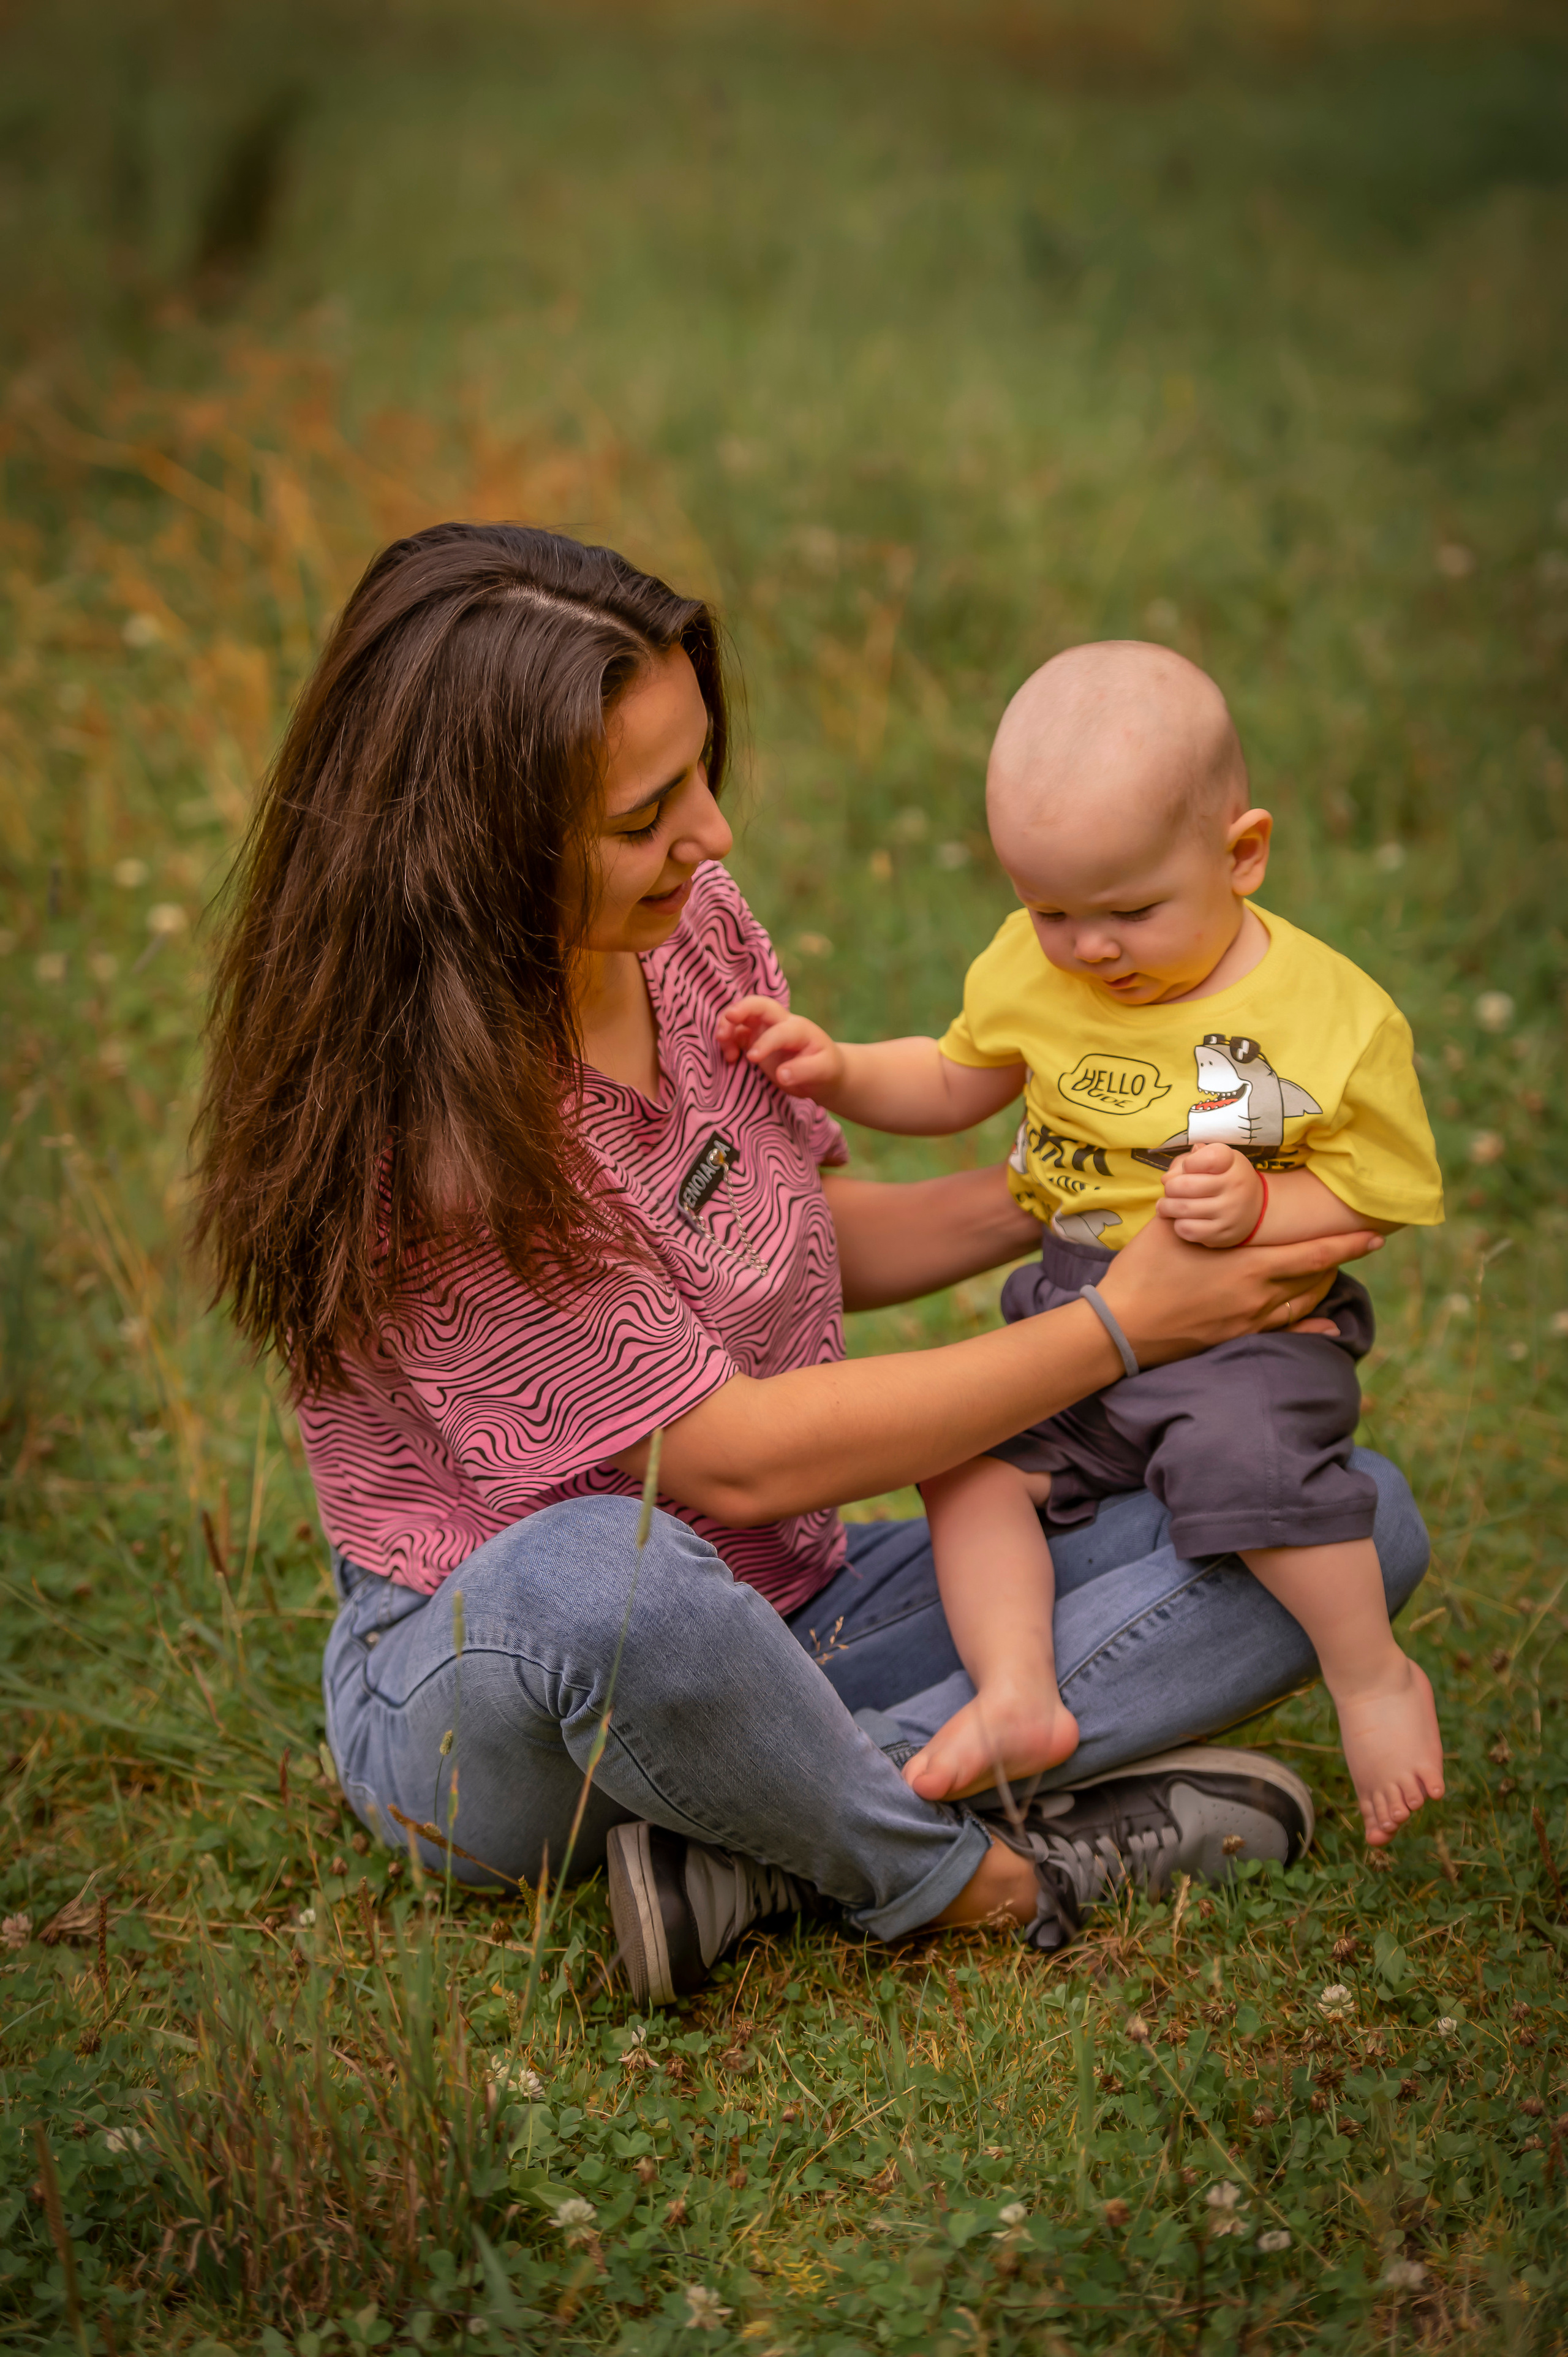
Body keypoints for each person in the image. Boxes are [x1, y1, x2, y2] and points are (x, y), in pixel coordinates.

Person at [194, 528, 1426, 2010]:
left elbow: (796, 1233)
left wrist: (1097, 1191)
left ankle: (764, 1835)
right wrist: (1119, 1324)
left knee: (1350, 1525)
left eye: (699, 773)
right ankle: (960, 1875)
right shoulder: (433, 1137)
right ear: (480, 848)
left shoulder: (681, 933)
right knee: (609, 1575)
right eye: (646, 813)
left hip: (792, 1597)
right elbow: (725, 1460)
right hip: (509, 1699)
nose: (710, 834)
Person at [721, 641, 1445, 1850]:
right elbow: (954, 1079)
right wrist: (841, 1070)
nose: (1090, 949)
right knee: (966, 1465)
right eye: (1051, 911)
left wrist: (1260, 1212)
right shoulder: (1038, 971)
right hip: (1071, 1310)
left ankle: (1370, 1675)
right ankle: (1019, 1693)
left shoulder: (1316, 1019)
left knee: (1250, 1473)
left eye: (1130, 913)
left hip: (1236, 1334)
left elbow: (1378, 1195)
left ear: (1242, 855)